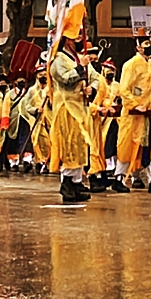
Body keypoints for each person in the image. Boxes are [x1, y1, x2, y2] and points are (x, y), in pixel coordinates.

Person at [114, 30, 151, 194]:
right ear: (138, 47)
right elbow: (124, 90)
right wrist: (136, 105)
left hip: (150, 113)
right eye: (146, 44)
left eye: (149, 43)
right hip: (133, 115)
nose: (149, 46)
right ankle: (119, 178)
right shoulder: (130, 65)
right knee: (127, 146)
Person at [49, 33, 94, 202]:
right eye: (77, 37)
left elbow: (95, 77)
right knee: (70, 146)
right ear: (68, 40)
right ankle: (67, 181)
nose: (81, 40)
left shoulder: (79, 58)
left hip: (80, 108)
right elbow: (65, 79)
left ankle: (76, 181)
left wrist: (92, 88)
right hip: (66, 108)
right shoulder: (58, 59)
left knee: (80, 147)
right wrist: (80, 68)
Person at [88, 59, 120, 191]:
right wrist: (96, 108)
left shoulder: (102, 82)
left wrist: (109, 106)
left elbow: (105, 98)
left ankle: (97, 176)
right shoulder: (82, 78)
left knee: (97, 149)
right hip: (82, 118)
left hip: (98, 120)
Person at [1, 77, 29, 172]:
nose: (21, 81)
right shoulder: (10, 94)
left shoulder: (28, 92)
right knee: (13, 141)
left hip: (26, 119)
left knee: (26, 139)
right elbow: (6, 108)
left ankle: (27, 160)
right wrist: (5, 121)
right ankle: (13, 163)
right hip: (13, 120)